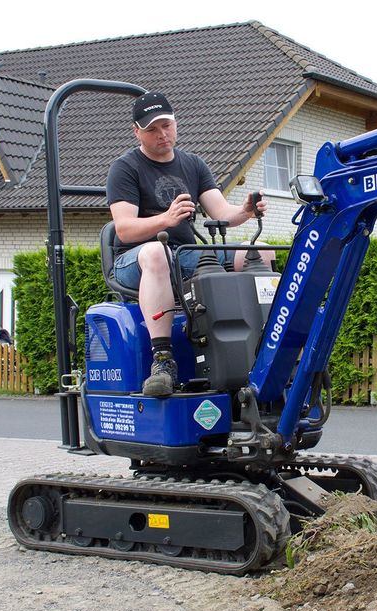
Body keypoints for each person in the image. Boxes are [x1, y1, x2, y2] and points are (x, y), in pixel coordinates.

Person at [106, 91, 270, 397]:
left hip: (185, 254)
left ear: (175, 123)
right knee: (158, 251)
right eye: (152, 129)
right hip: (136, 260)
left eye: (166, 125)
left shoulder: (193, 164)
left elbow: (222, 213)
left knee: (258, 250)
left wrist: (246, 212)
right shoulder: (125, 168)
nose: (162, 134)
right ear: (136, 132)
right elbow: (125, 230)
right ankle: (163, 360)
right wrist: (166, 220)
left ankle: (262, 349)